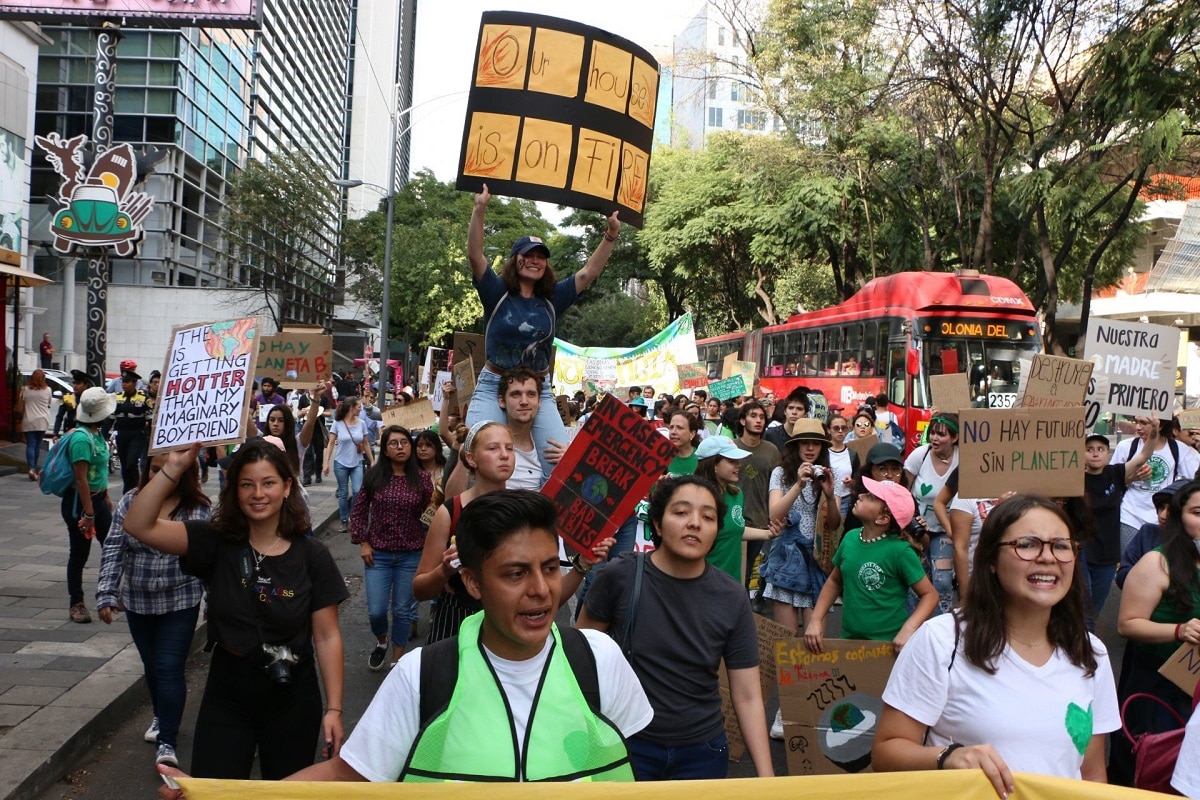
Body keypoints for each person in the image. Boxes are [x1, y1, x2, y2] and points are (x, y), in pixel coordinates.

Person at [216, 490, 654, 785]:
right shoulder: (422, 676)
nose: (541, 590)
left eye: (549, 567)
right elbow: (348, 777)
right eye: (515, 573)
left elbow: (637, 771)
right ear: (473, 582)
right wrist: (214, 794)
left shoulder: (599, 661)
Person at [126, 440, 347, 780]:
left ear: (287, 487)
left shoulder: (312, 555)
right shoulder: (213, 541)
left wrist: (334, 709)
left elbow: (327, 636)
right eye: (247, 484)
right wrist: (173, 468)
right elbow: (139, 525)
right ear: (235, 490)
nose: (258, 493)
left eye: (268, 483)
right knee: (215, 787)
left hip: (292, 694)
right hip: (227, 690)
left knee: (285, 792)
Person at [872, 495, 1119, 795]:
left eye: (1061, 545)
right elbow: (885, 752)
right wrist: (947, 757)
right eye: (1027, 544)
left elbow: (1091, 776)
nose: (1048, 557)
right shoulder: (941, 640)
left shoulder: (1091, 653)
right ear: (990, 561)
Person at [579, 475, 774, 781]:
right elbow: (582, 655)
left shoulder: (732, 596)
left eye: (707, 516)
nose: (694, 523)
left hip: (703, 753)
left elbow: (748, 695)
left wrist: (767, 777)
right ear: (657, 523)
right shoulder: (621, 575)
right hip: (625, 744)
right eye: (681, 512)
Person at [466, 182, 620, 481]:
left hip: (539, 388)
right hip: (493, 383)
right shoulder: (496, 292)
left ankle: (547, 523)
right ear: (515, 260)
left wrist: (611, 234)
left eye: (541, 256)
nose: (535, 260)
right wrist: (480, 207)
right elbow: (475, 255)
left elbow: (588, 273)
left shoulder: (554, 299)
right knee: (480, 452)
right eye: (528, 254)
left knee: (558, 461)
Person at [96, 454, 209, 768]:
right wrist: (106, 593)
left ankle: (167, 741)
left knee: (169, 667)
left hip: (180, 600)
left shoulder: (198, 508)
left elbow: (208, 559)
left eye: (170, 469)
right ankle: (161, 715)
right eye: (156, 469)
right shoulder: (132, 501)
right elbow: (114, 547)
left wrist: (216, 604)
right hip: (138, 601)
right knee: (152, 666)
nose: (163, 475)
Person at [1114, 479, 1200, 786]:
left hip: (1197, 692)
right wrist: (1180, 630)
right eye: (1198, 512)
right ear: (1179, 517)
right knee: (1162, 767)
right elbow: (1128, 623)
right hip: (1161, 685)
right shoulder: (1156, 562)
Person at [803, 477, 937, 652]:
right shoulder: (850, 538)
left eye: (871, 497)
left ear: (882, 518)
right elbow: (835, 581)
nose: (861, 495)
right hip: (849, 643)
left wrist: (909, 628)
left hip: (888, 647)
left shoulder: (900, 551)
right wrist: (815, 620)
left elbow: (930, 595)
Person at [412, 422, 513, 642]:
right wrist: (445, 570)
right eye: (493, 448)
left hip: (509, 621)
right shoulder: (450, 512)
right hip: (455, 623)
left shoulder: (523, 512)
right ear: (471, 458)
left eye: (510, 448)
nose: (504, 455)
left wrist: (580, 567)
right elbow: (420, 590)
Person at [351, 426, 433, 670]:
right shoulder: (375, 477)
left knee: (402, 611)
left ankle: (397, 659)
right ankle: (382, 641)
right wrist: (363, 542)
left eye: (405, 442)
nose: (400, 447)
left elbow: (429, 515)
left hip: (411, 555)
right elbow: (358, 511)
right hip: (379, 556)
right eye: (394, 443)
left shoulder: (423, 479)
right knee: (376, 611)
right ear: (385, 449)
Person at [763, 419, 842, 633]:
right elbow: (774, 514)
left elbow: (833, 524)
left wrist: (829, 494)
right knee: (786, 642)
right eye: (804, 442)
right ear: (794, 445)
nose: (809, 448)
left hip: (816, 559)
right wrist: (799, 484)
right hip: (786, 557)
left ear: (823, 447)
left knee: (814, 641)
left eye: (815, 443)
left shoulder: (827, 474)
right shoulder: (781, 473)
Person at [1081, 431, 1152, 621]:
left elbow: (1144, 455)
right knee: (1083, 606)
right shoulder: (1073, 479)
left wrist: (1155, 430)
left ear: (1108, 453)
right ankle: (1080, 648)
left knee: (1094, 609)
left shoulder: (1115, 473)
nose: (1095, 454)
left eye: (1100, 449)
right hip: (1081, 551)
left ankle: (1086, 643)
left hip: (1107, 554)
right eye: (1089, 449)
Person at [62, 387, 117, 624]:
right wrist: (89, 512)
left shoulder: (96, 433)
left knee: (114, 547)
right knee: (80, 554)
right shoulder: (81, 438)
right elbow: (81, 479)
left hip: (97, 500)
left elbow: (98, 472)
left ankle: (109, 595)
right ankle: (77, 603)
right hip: (80, 503)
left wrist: (104, 496)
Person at [694, 436, 779, 581]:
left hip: (731, 584)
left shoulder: (737, 494)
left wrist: (768, 534)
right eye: (731, 461)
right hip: (703, 585)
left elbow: (735, 528)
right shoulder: (695, 499)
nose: (738, 465)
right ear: (713, 465)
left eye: (738, 460)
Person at [1110, 417, 1200, 553]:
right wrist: (1130, 478)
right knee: (1129, 564)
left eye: (1144, 423)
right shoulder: (1126, 446)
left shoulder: (1179, 449)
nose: (1138, 428)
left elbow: (1194, 482)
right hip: (1130, 517)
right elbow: (1110, 481)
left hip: (1164, 520)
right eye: (1136, 422)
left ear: (1160, 425)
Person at [904, 412, 960, 614]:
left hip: (945, 530)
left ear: (955, 438)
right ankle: (913, 628)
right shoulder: (920, 455)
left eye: (941, 434)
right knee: (917, 580)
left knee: (943, 581)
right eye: (932, 433)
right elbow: (903, 489)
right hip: (917, 529)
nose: (935, 438)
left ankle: (941, 626)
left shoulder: (963, 460)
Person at [324, 396, 373, 532]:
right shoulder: (338, 423)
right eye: (359, 406)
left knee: (357, 490)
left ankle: (354, 516)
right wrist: (326, 463)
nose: (361, 408)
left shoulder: (362, 423)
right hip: (340, 462)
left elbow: (366, 443)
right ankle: (344, 520)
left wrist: (373, 461)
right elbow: (331, 443)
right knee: (343, 492)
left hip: (357, 461)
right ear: (352, 408)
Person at [111, 368, 151, 493]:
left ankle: (134, 489)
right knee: (125, 466)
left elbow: (150, 420)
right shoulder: (116, 398)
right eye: (123, 381)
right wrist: (103, 435)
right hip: (122, 435)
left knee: (131, 463)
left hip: (137, 435)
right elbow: (110, 419)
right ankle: (129, 490)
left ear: (134, 383)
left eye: (127, 381)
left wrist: (150, 437)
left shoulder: (144, 398)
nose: (124, 384)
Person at [20, 368, 52, 480]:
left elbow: (21, 404)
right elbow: (49, 403)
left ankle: (31, 468)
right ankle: (35, 468)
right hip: (42, 420)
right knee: (37, 445)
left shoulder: (25, 389)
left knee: (30, 445)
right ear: (43, 379)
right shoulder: (48, 390)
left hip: (28, 420)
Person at [53, 369, 89, 435]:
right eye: (74, 383)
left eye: (78, 383)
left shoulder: (89, 398)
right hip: (69, 432)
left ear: (85, 385)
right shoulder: (68, 397)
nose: (75, 386)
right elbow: (59, 416)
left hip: (85, 433)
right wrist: (55, 433)